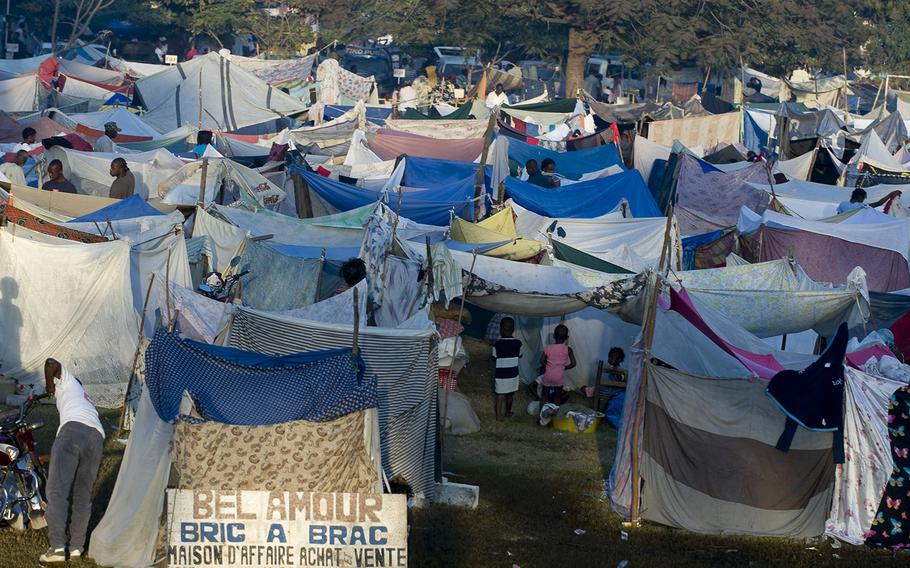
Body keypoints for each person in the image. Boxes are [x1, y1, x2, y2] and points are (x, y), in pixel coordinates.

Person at [39, 358, 104, 563]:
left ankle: (58, 548)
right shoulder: (83, 400)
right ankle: (76, 548)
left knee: (57, 491)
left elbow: (51, 363)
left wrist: (50, 385)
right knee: (82, 496)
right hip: (96, 438)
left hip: (72, 430)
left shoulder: (71, 382)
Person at [492, 317, 522, 421]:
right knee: (510, 394)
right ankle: (508, 412)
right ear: (513, 329)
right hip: (513, 374)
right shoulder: (518, 343)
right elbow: (520, 355)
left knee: (500, 395)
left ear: (500, 329)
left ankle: (498, 416)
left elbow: (494, 357)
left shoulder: (497, 343)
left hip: (501, 374)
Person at [539, 324, 576, 406]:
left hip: (548, 375)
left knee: (544, 396)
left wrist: (548, 366)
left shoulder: (548, 347)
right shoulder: (568, 349)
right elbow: (573, 363)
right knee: (557, 397)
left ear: (553, 336)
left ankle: (541, 416)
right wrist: (564, 367)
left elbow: (541, 360)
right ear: (566, 337)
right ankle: (556, 416)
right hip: (559, 376)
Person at [598, 347, 627, 412]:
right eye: (609, 357)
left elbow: (622, 378)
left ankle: (601, 410)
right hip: (612, 388)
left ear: (619, 360)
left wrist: (618, 375)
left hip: (616, 390)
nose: (609, 359)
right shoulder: (612, 368)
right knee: (600, 389)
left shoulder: (619, 369)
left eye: (612, 357)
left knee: (603, 393)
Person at [836, 187, 901, 215]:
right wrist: (890, 195)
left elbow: (838, 217)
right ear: (860, 197)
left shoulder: (843, 204)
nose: (863, 200)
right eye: (864, 198)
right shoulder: (862, 206)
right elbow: (878, 203)